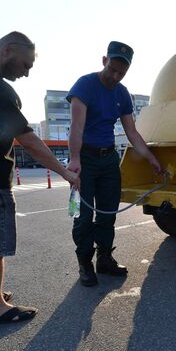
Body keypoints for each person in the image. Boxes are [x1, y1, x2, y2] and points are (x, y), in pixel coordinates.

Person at [0, 32, 80, 325]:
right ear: (7, 51)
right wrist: (65, 173)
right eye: (25, 64)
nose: (26, 72)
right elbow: (30, 142)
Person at [66, 41, 162, 287]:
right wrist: (74, 159)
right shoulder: (84, 85)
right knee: (82, 216)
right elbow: (76, 127)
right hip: (84, 158)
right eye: (113, 69)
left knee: (107, 213)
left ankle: (105, 259)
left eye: (122, 72)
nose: (115, 76)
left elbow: (131, 132)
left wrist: (151, 158)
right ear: (103, 60)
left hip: (109, 160)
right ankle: (85, 262)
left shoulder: (122, 93)